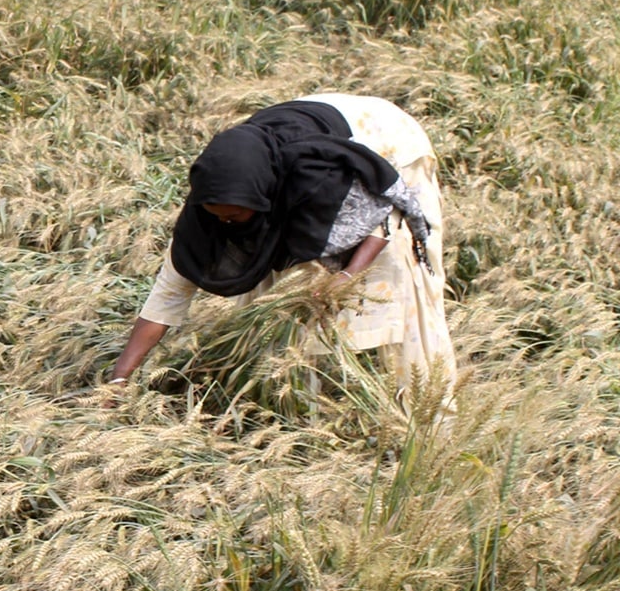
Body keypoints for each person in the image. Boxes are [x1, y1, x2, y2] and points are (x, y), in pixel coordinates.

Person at [107, 93, 455, 397]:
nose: (224, 224)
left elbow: (383, 215)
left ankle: (426, 403)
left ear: (262, 197)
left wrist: (348, 275)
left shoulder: (320, 180)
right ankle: (290, 391)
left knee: (403, 280)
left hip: (387, 143)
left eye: (234, 215)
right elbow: (168, 293)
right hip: (306, 131)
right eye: (217, 216)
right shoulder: (214, 203)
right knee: (276, 292)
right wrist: (119, 378)